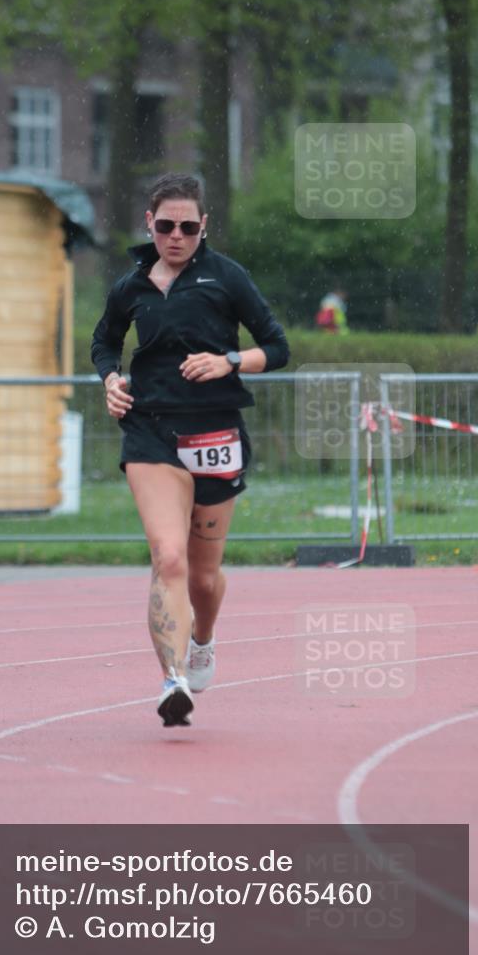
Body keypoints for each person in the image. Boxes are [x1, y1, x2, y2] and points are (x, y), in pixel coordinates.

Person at [91, 172, 290, 727]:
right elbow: (105, 341)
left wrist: (229, 361)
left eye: (187, 228)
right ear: (148, 224)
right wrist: (110, 379)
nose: (175, 237)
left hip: (215, 433)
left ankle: (203, 638)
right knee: (168, 557)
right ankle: (173, 678)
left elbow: (277, 347)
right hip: (149, 432)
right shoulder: (130, 285)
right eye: (165, 226)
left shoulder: (227, 277)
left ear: (204, 226)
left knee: (203, 577)